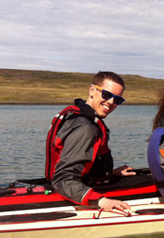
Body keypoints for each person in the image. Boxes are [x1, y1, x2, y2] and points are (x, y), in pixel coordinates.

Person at [45, 71, 135, 212]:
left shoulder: (76, 116)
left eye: (117, 100)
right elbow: (63, 179)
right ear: (92, 90)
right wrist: (100, 201)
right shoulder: (84, 128)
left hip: (78, 182)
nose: (111, 102)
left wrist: (110, 173)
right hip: (72, 189)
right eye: (106, 95)